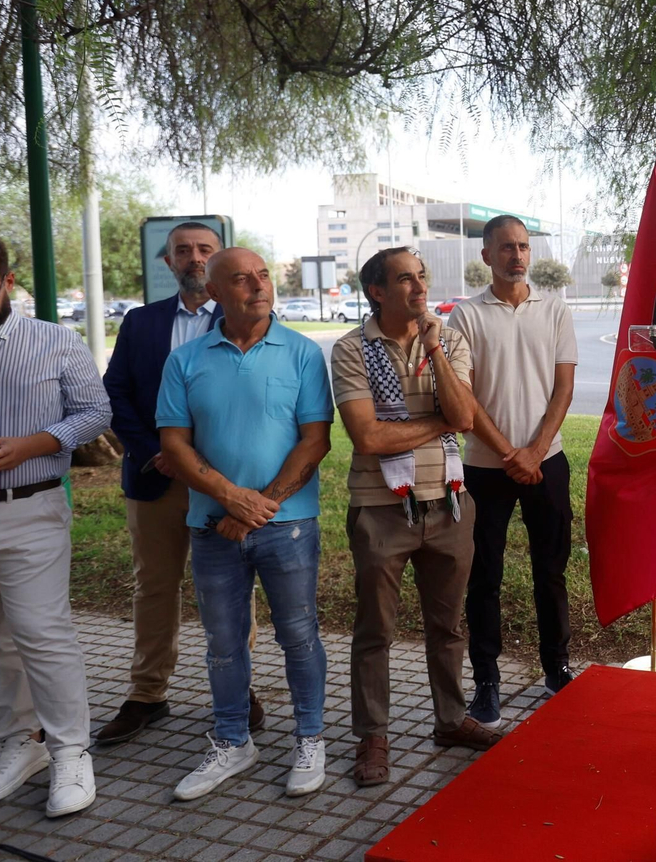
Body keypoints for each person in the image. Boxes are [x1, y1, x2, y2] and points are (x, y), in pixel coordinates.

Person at [155, 248, 333, 801]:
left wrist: (262, 506)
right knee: (223, 642)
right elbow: (174, 446)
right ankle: (233, 740)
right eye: (241, 279)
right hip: (212, 527)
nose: (258, 286)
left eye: (263, 275)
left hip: (289, 526)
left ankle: (310, 737)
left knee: (298, 635)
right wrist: (232, 499)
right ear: (213, 293)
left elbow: (316, 439)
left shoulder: (303, 354)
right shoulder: (185, 360)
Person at [97, 222, 267, 746]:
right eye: (184, 251)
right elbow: (117, 393)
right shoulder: (141, 323)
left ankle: (240, 688)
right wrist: (155, 452)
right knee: (154, 585)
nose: (194, 258)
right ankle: (148, 692)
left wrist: (210, 467)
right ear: (167, 262)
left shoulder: (250, 314)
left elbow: (258, 399)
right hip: (156, 480)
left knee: (235, 589)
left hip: (225, 483)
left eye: (205, 250)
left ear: (220, 266)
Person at [332, 247, 494, 788]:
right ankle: (372, 737)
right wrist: (436, 423)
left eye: (422, 275)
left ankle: (450, 721)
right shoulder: (351, 349)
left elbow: (466, 416)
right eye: (405, 279)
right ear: (377, 291)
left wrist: (434, 349)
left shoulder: (448, 338)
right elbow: (369, 437)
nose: (419, 287)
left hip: (448, 502)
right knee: (375, 630)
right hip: (381, 508)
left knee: (448, 627)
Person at [0, 234, 110, 818]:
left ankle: (71, 750)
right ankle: (21, 742)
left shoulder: (54, 341)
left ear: (8, 282)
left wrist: (35, 444)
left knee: (41, 633)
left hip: (31, 506)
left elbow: (97, 412)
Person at [448, 216, 578, 729]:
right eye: (505, 247)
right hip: (485, 467)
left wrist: (537, 449)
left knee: (551, 570)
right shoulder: (466, 317)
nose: (516, 255)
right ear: (486, 256)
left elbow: (564, 387)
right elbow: (465, 398)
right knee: (484, 577)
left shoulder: (555, 309)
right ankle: (486, 683)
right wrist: (510, 454)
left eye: (523, 246)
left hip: (548, 462)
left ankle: (557, 668)